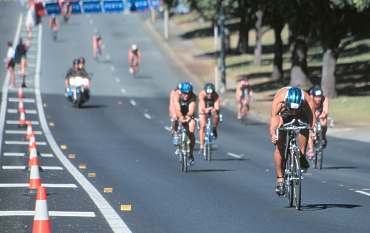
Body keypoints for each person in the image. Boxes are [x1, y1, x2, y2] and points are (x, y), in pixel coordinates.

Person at [269, 86, 315, 196]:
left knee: (305, 127)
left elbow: (312, 119)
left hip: (302, 113)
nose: (294, 111)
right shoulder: (279, 101)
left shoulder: (307, 100)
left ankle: (301, 156)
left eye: (296, 109)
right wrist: (273, 134)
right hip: (283, 115)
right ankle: (280, 180)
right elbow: (273, 121)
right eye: (292, 109)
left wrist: (312, 131)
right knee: (280, 145)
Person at [174, 82, 196, 165]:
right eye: (184, 93)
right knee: (175, 119)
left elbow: (191, 110)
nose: (186, 95)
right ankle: (175, 134)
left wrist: (188, 117)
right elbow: (176, 108)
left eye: (188, 93)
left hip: (188, 114)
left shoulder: (193, 97)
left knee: (192, 126)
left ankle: (190, 153)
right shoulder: (177, 95)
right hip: (179, 112)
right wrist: (180, 117)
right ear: (181, 92)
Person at [198, 83, 221, 154]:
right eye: (208, 93)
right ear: (205, 91)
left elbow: (217, 106)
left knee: (217, 115)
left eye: (211, 93)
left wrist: (215, 110)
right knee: (203, 125)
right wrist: (205, 110)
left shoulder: (216, 95)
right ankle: (202, 145)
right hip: (203, 108)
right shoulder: (202, 94)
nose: (210, 95)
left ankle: (214, 128)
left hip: (212, 106)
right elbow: (201, 104)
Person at [306, 86, 329, 158]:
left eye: (320, 96)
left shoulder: (325, 99)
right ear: (312, 96)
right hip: (312, 114)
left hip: (320, 113)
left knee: (324, 121)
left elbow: (325, 110)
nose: (319, 99)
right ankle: (311, 150)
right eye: (317, 97)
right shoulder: (309, 100)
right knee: (310, 129)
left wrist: (323, 114)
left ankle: (323, 137)